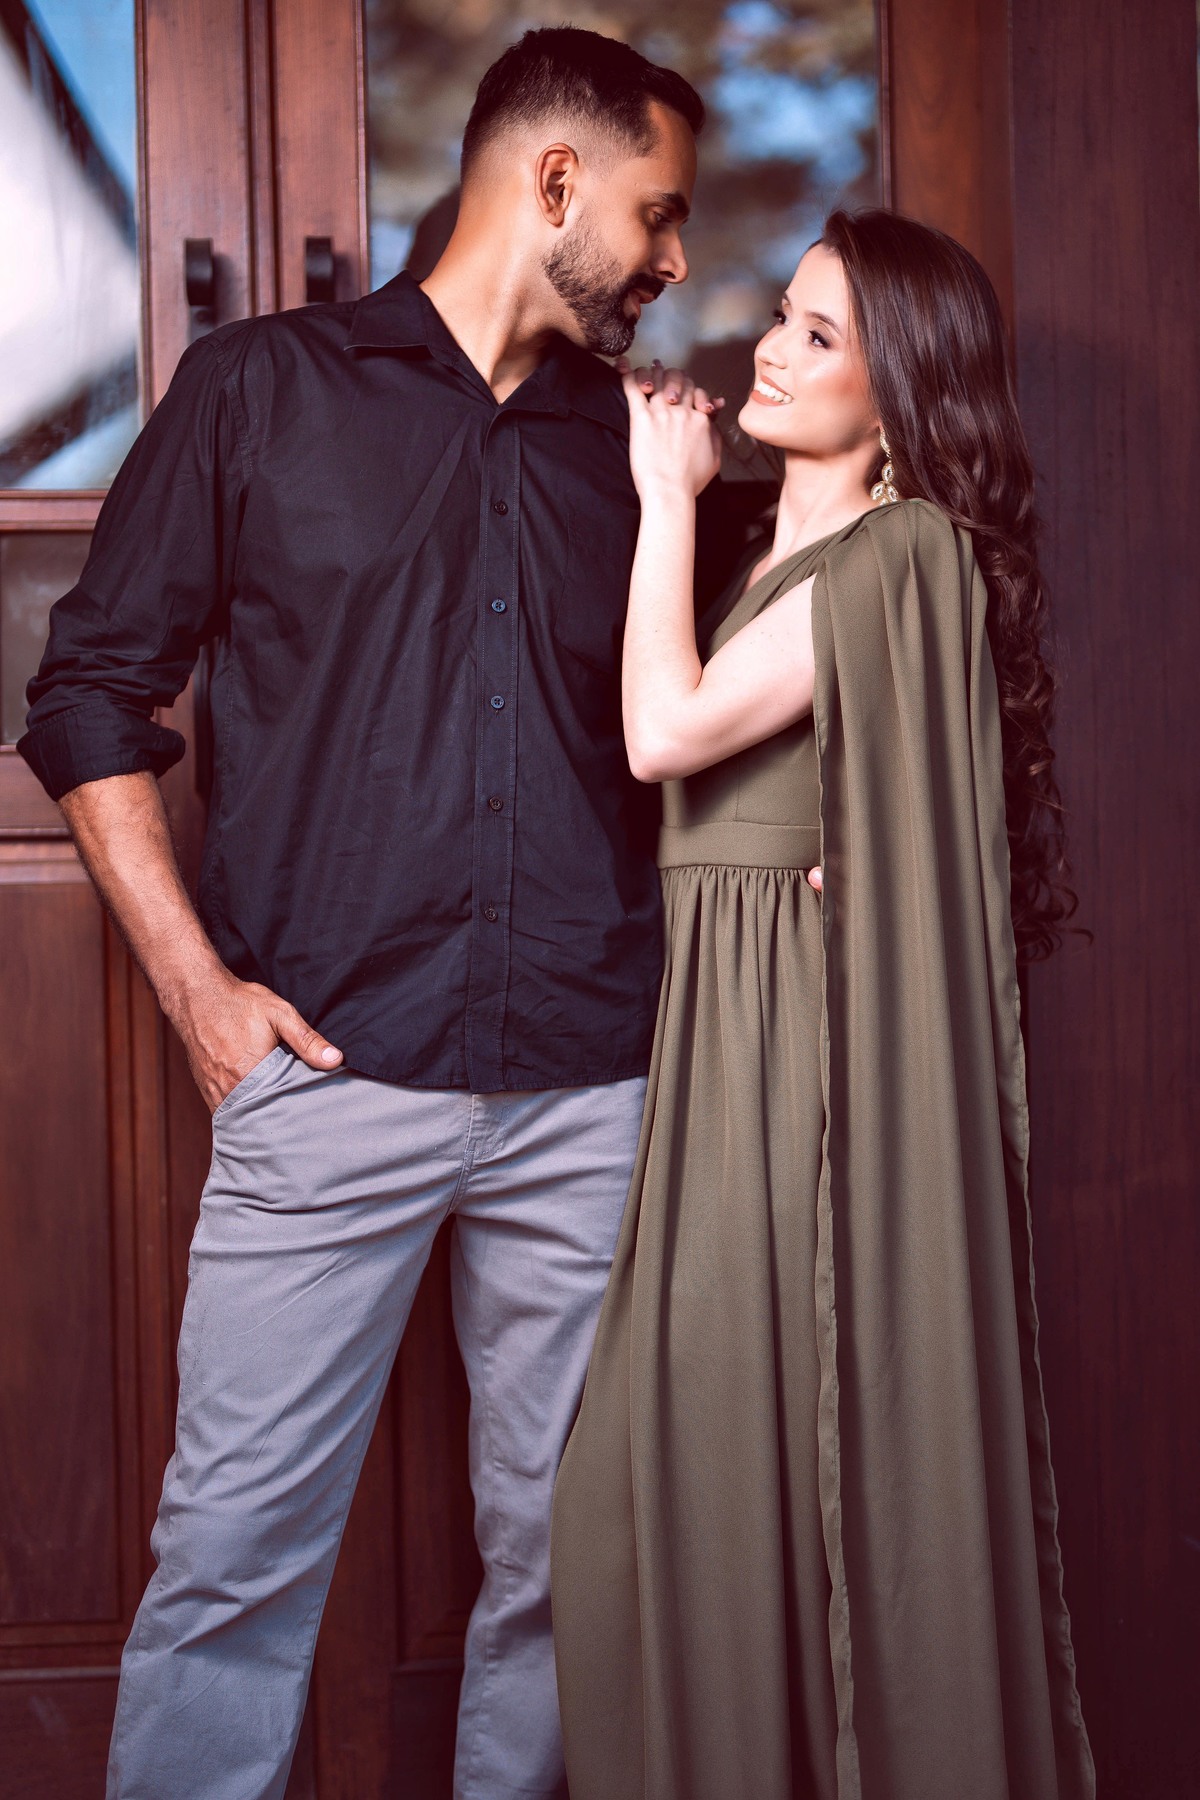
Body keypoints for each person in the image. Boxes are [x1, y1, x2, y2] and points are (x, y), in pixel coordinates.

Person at [18, 27, 714, 1800]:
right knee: (232, 1567)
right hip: (322, 1081)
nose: (676, 257)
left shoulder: (645, 456)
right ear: (554, 181)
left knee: (571, 1570)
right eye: (658, 212)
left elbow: (704, 734)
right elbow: (89, 695)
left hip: (591, 1089)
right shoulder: (257, 390)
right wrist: (198, 993)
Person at [551, 209, 1097, 1800]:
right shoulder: (785, 558)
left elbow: (664, 735)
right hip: (719, 1018)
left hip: (800, 1043)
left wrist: (665, 497)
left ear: (903, 387)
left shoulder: (899, 550)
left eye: (817, 336)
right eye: (782, 317)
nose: (769, 352)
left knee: (757, 1436)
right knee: (684, 1469)